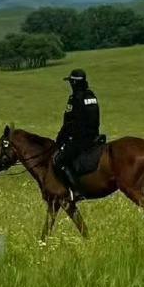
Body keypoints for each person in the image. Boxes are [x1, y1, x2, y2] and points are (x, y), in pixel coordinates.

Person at [52, 68, 101, 196]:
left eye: (70, 82)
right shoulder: (91, 96)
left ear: (74, 83)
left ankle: (75, 191)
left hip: (80, 139)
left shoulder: (75, 99)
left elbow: (69, 123)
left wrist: (60, 139)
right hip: (94, 136)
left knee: (60, 160)